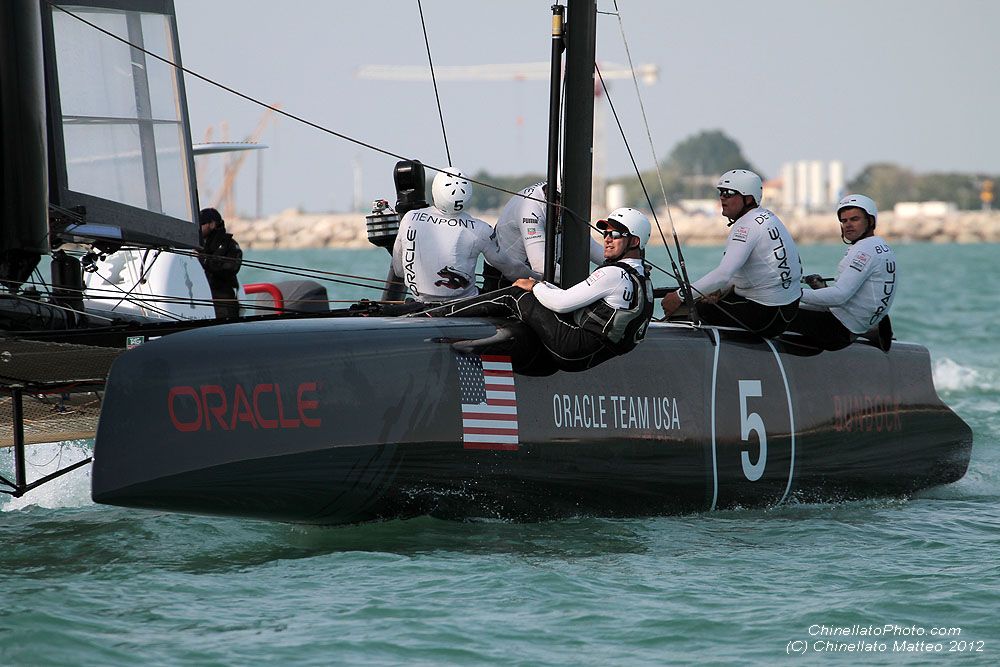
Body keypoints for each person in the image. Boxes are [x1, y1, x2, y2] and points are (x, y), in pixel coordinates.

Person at [449, 207, 654, 371]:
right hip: (588, 356)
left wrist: (535, 286)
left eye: (616, 234)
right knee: (535, 299)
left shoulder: (614, 274)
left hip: (573, 349)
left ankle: (436, 313)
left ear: (634, 241)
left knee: (515, 296)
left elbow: (562, 303)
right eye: (606, 232)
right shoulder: (642, 276)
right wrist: (543, 287)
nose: (607, 238)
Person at [660, 169, 801, 337]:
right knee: (709, 297)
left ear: (748, 199)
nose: (722, 198)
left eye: (728, 193)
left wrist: (679, 296)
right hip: (787, 309)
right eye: (720, 192)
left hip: (767, 317)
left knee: (687, 311)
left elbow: (723, 275)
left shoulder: (746, 226)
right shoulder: (767, 217)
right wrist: (719, 290)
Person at [391, 167, 536, 302]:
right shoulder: (482, 229)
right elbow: (510, 269)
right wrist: (539, 280)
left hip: (418, 302)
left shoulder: (409, 218)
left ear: (435, 190)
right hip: (465, 305)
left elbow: (398, 271)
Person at [786, 194, 897, 350]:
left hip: (838, 330)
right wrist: (821, 287)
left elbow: (839, 296)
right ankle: (871, 331)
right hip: (852, 323)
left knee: (771, 312)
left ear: (870, 221)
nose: (848, 225)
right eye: (844, 221)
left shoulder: (865, 251)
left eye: (854, 219)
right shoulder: (879, 247)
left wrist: (792, 293)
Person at [482, 181, 605, 291]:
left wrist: (620, 265)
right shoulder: (530, 208)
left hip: (536, 275)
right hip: (503, 274)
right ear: (552, 197)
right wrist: (590, 283)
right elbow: (541, 265)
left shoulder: (564, 204)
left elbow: (589, 246)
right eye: (561, 207)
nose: (562, 215)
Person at [198, 207, 243, 319]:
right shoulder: (196, 245)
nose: (197, 228)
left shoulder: (230, 245)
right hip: (200, 299)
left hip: (222, 301)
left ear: (212, 224)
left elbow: (230, 268)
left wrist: (203, 260)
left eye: (201, 224)